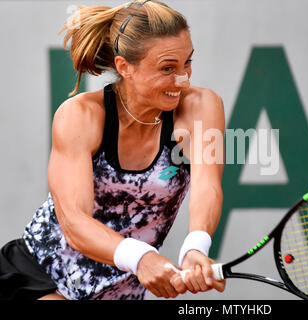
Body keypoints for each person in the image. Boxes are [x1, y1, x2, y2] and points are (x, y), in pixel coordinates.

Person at [0, 0, 226, 300]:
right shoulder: (80, 116)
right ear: (124, 67)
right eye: (168, 68)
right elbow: (74, 222)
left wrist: (196, 246)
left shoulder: (202, 107)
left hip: (122, 292)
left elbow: (207, 185)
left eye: (188, 63)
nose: (183, 80)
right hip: (40, 277)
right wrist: (141, 257)